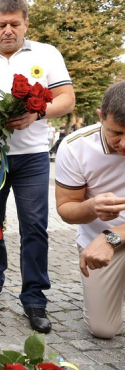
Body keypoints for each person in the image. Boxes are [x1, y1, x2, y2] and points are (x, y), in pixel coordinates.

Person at [0, 0, 76, 333]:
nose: (8, 30)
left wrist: (38, 112)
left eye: (14, 24)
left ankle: (35, 299)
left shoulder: (47, 54)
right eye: (1, 24)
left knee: (34, 227)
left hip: (33, 158)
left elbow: (67, 98)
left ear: (25, 24)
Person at [55, 82, 125, 339]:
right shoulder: (75, 146)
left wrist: (113, 235)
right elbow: (65, 209)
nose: (124, 143)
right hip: (100, 242)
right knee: (103, 329)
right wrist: (91, 207)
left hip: (108, 238)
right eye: (116, 132)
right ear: (100, 117)